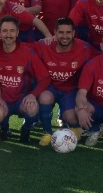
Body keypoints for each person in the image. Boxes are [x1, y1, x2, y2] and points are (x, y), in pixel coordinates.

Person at [0, 16, 51, 143]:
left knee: (33, 108)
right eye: (5, 31)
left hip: (21, 100)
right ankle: (3, 127)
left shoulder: (27, 52)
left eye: (12, 31)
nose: (8, 34)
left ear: (17, 32)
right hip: (2, 98)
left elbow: (45, 78)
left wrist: (33, 95)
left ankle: (26, 129)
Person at [34, 17, 92, 146]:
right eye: (61, 32)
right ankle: (48, 132)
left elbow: (101, 59)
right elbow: (24, 50)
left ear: (73, 33)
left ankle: (75, 129)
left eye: (68, 32)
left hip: (70, 90)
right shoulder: (44, 45)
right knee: (44, 97)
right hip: (50, 87)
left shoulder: (84, 47)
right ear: (55, 33)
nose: (64, 36)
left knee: (71, 117)